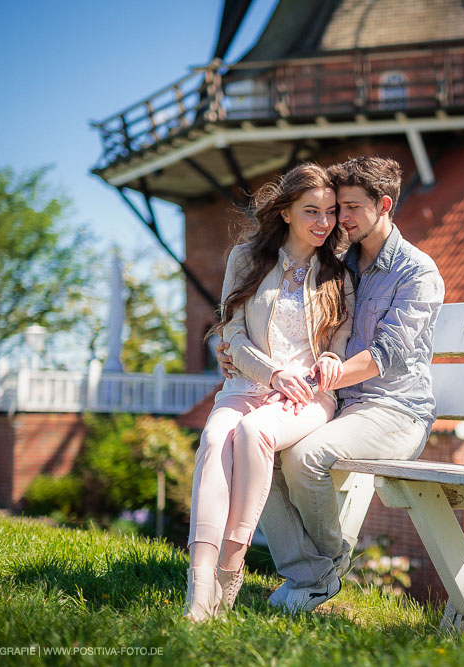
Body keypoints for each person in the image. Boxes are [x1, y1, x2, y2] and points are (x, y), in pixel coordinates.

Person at [217, 156, 445, 613]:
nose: (341, 218)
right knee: (261, 450)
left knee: (305, 456)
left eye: (352, 207)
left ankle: (326, 568)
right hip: (338, 405)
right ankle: (310, 574)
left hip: (395, 410)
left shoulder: (418, 272)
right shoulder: (337, 263)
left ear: (384, 205)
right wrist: (238, 355)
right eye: (338, 207)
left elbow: (386, 354)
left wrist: (331, 370)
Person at [184, 163, 355, 622]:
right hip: (245, 384)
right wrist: (273, 373)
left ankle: (231, 563)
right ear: (285, 213)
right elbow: (232, 335)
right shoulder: (245, 259)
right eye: (311, 211)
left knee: (254, 432)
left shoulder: (339, 274)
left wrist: (326, 365)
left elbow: (337, 346)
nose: (324, 222)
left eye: (331, 212)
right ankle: (200, 585)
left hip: (307, 398)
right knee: (217, 438)